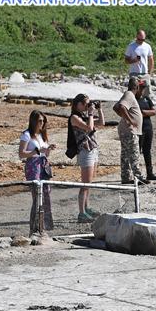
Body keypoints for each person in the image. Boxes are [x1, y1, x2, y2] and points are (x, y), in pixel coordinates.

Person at [68, 94, 105, 222]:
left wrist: (99, 109)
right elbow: (89, 127)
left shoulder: (85, 116)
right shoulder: (74, 117)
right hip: (85, 152)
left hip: (93, 150)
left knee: (89, 183)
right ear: (77, 104)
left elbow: (101, 123)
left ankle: (87, 207)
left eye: (88, 104)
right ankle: (81, 213)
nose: (86, 106)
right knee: (85, 184)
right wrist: (90, 113)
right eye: (85, 104)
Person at [18, 110, 55, 233]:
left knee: (46, 194)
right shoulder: (27, 134)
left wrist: (48, 149)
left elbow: (45, 153)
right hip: (33, 166)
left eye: (44, 121)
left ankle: (44, 226)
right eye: (40, 121)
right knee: (36, 196)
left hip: (43, 165)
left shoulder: (42, 135)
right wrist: (35, 152)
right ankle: (34, 228)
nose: (42, 123)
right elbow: (21, 154)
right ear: (33, 121)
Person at [113, 77, 145, 185]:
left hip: (127, 131)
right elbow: (121, 107)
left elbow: (116, 107)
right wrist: (130, 120)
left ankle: (126, 177)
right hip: (130, 131)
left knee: (126, 155)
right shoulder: (129, 95)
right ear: (136, 87)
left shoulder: (128, 95)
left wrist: (125, 118)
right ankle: (138, 177)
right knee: (134, 153)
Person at [136, 80, 156, 181]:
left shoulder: (146, 99)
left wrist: (144, 112)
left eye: (143, 88)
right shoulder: (134, 99)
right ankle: (137, 174)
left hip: (148, 127)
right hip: (139, 128)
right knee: (137, 151)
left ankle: (150, 173)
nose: (142, 90)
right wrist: (146, 113)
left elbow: (154, 111)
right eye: (141, 88)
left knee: (147, 151)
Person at [125, 29, 154, 95]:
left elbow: (151, 59)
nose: (141, 41)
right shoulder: (131, 46)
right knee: (133, 91)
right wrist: (133, 60)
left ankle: (145, 104)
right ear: (136, 37)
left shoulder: (147, 46)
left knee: (146, 92)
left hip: (145, 73)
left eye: (143, 40)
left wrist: (150, 72)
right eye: (139, 39)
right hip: (134, 73)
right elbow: (126, 60)